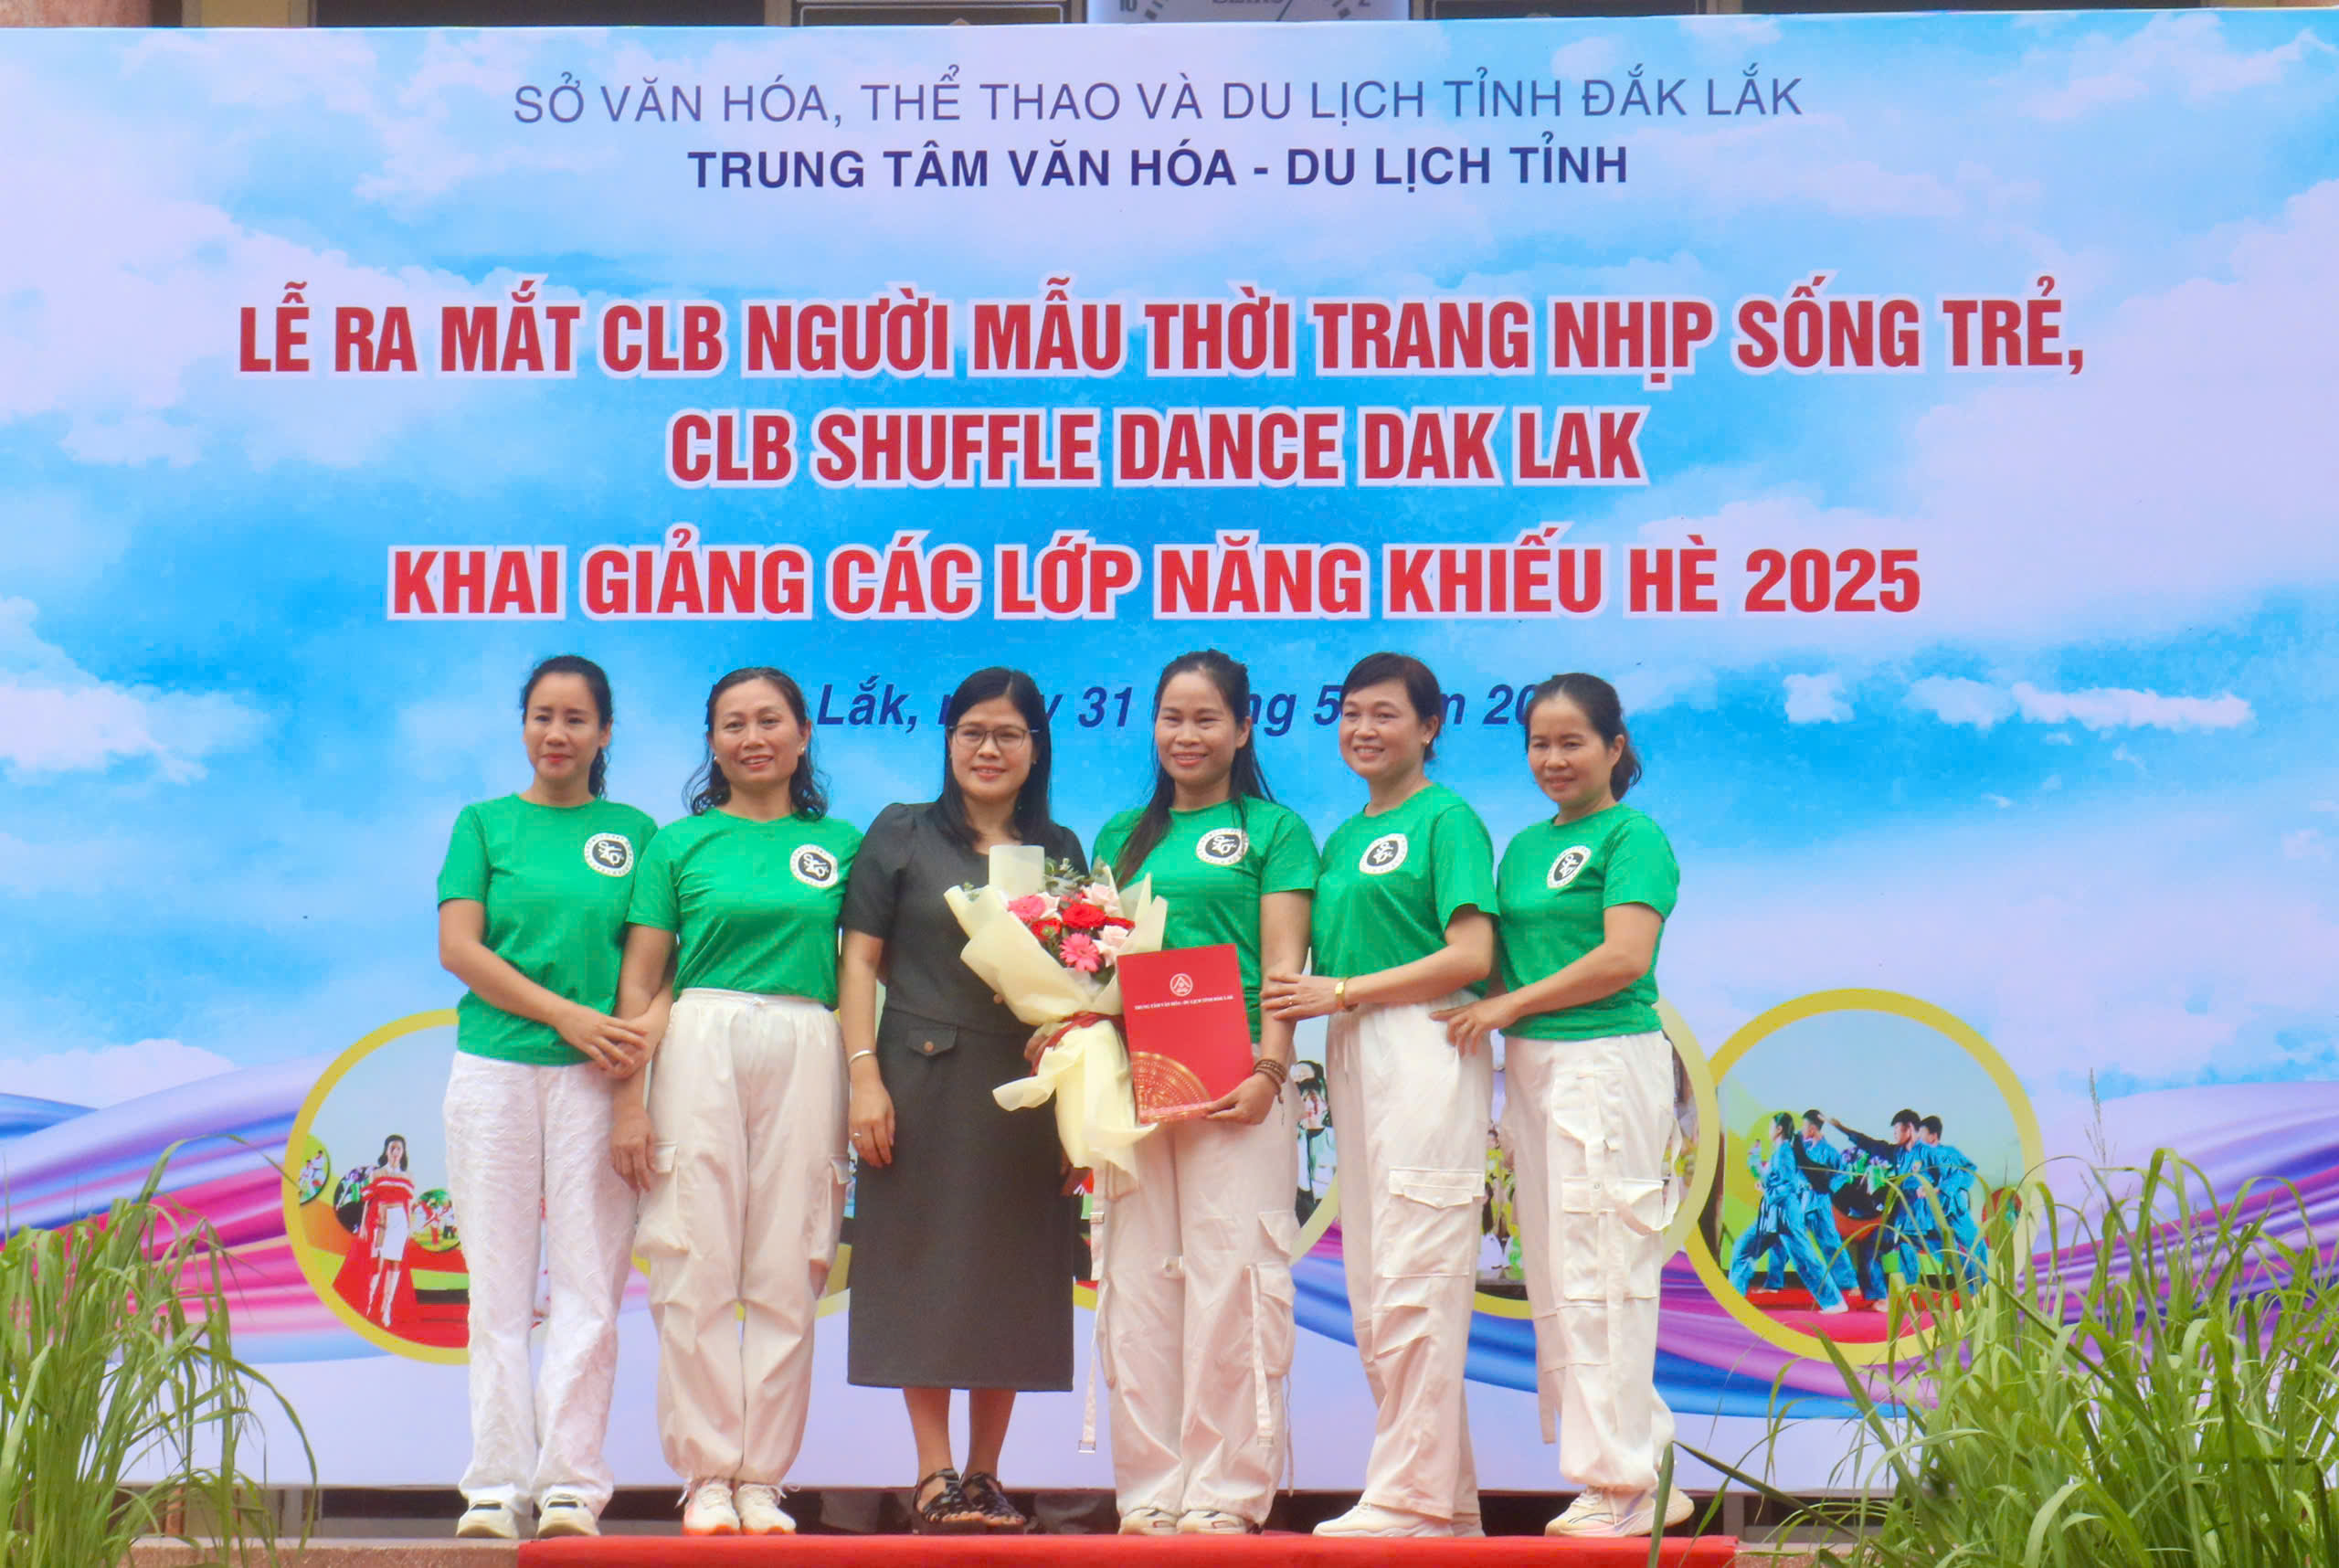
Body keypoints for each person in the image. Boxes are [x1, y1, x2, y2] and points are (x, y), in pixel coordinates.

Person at [1434, 672, 1693, 1538]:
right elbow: (1489, 963)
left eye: (1572, 742)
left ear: (1615, 747)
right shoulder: (1521, 848)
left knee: (1605, 1267)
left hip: (1605, 1062)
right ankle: (1620, 1476)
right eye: (1539, 744)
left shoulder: (1633, 836)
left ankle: (1629, 1484)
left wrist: (1509, 1005)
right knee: (1558, 1274)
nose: (1553, 759)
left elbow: (1624, 957)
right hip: (1535, 1069)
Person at [609, 667, 862, 1538]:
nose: (753, 738)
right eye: (733, 724)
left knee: (793, 1263)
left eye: (770, 721)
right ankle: (708, 1474)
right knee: (694, 1258)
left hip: (807, 1041)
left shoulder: (844, 844)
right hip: (699, 1039)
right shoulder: (679, 845)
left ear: (802, 733)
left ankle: (763, 1478)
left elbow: (864, 971)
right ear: (712, 743)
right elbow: (640, 982)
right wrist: (629, 1101)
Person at [840, 667, 1087, 1535]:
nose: (989, 749)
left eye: (1009, 734)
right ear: (948, 741)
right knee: (923, 1267)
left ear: (1036, 748)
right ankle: (932, 1472)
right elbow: (858, 962)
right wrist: (864, 1075)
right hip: (918, 1078)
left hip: (1027, 1088)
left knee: (1010, 1272)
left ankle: (985, 1476)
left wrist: (1079, 1111)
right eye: (973, 732)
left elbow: (1082, 981)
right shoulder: (902, 832)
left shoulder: (1059, 849)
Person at [1263, 652, 1495, 1541]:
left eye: (1386, 714)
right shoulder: (1342, 838)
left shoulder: (1447, 819)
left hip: (1425, 1043)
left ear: (1429, 727)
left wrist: (1345, 991)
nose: (1364, 729)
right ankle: (1447, 1503)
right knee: (1375, 1282)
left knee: (1415, 1273)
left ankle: (1407, 1498)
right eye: (1352, 712)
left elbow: (1471, 955)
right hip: (1355, 1046)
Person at [1089, 651, 1318, 1537]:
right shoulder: (1121, 835)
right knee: (1140, 1285)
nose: (1186, 735)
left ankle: (1226, 1493)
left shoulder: (1274, 830)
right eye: (1172, 718)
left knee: (1234, 1281)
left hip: (1239, 1083)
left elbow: (1284, 966)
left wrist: (1271, 1070)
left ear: (1244, 728)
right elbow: (1096, 968)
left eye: (1206, 718)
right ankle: (1149, 1489)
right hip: (1139, 1082)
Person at [436, 654, 655, 1542]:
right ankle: (494, 1485)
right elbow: (460, 948)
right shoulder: (484, 824)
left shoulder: (636, 833)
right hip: (493, 1071)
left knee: (589, 1288)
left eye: (575, 719)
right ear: (522, 725)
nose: (556, 734)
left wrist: (616, 1041)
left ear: (605, 732)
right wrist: (566, 1014)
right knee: (496, 1288)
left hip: (597, 1082)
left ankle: (570, 1484)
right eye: (541, 716)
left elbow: (653, 962)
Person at [1727, 1115, 1850, 1318]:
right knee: (1743, 1248)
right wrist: (1761, 1175)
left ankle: (1835, 1302)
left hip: (1785, 1214)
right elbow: (1776, 1181)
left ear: (1779, 1129)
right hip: (1774, 1214)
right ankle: (1734, 1299)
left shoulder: (1784, 1152)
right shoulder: (1779, 1151)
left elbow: (1789, 1185)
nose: (1769, 1130)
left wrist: (1768, 1190)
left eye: (1771, 1126)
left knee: (1804, 1260)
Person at [1832, 1109, 1930, 1294]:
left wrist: (1932, 1188)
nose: (1894, 1134)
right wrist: (1841, 1128)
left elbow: (1948, 1173)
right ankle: (1881, 1295)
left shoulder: (1928, 1153)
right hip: (1902, 1214)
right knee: (1872, 1246)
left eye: (1897, 1129)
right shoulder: (1897, 1152)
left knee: (1927, 1250)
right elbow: (1870, 1144)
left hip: (1922, 1216)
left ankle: (1977, 1284)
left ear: (1909, 1128)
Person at [1918, 1115, 1987, 1286]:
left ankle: (1986, 1282)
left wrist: (1950, 1188)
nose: (1919, 1137)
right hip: (1933, 1214)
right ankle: (1970, 1281)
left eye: (1922, 1133)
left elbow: (1969, 1170)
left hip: (1955, 1208)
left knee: (1976, 1244)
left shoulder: (1949, 1152)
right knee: (1943, 1249)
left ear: (1933, 1136)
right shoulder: (1919, 1157)